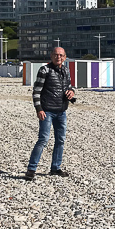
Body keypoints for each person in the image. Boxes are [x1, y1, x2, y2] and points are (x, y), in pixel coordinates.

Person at [25, 47, 76, 181]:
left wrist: (72, 92)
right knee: (43, 140)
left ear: (65, 57)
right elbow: (36, 92)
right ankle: (31, 169)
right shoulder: (44, 70)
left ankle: (55, 167)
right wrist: (39, 109)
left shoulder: (65, 70)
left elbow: (68, 86)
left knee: (60, 140)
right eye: (55, 54)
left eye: (61, 55)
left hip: (61, 111)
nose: (58, 57)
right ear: (51, 56)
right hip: (47, 111)